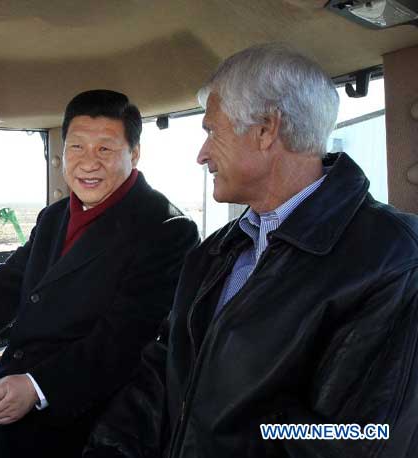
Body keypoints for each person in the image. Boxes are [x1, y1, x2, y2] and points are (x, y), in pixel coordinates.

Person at [84, 44, 418, 457]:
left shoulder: (392, 257)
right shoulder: (213, 254)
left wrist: (247, 422)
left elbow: (360, 438)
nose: (201, 155)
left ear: (266, 130)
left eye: (212, 132)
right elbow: (161, 375)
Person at [0, 90, 199, 457]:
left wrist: (38, 386)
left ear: (134, 154)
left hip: (83, 412)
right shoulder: (54, 217)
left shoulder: (166, 228)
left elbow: (125, 339)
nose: (88, 163)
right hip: (13, 386)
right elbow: (5, 288)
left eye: (105, 149)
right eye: (77, 147)